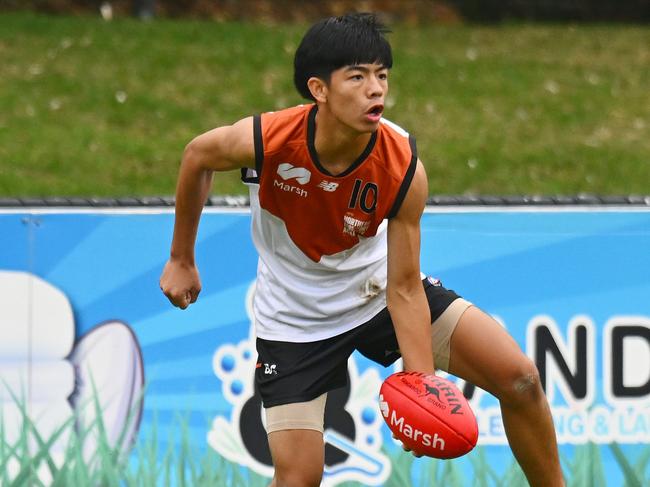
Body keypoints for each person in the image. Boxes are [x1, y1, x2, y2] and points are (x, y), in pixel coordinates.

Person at [160, 13, 564, 487]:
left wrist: (422, 387)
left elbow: (406, 287)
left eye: (382, 75)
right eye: (357, 76)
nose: (376, 89)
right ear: (319, 89)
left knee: (521, 380)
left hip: (376, 295)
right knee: (299, 478)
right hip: (295, 322)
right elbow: (196, 157)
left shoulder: (402, 164)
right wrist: (182, 258)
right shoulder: (267, 141)